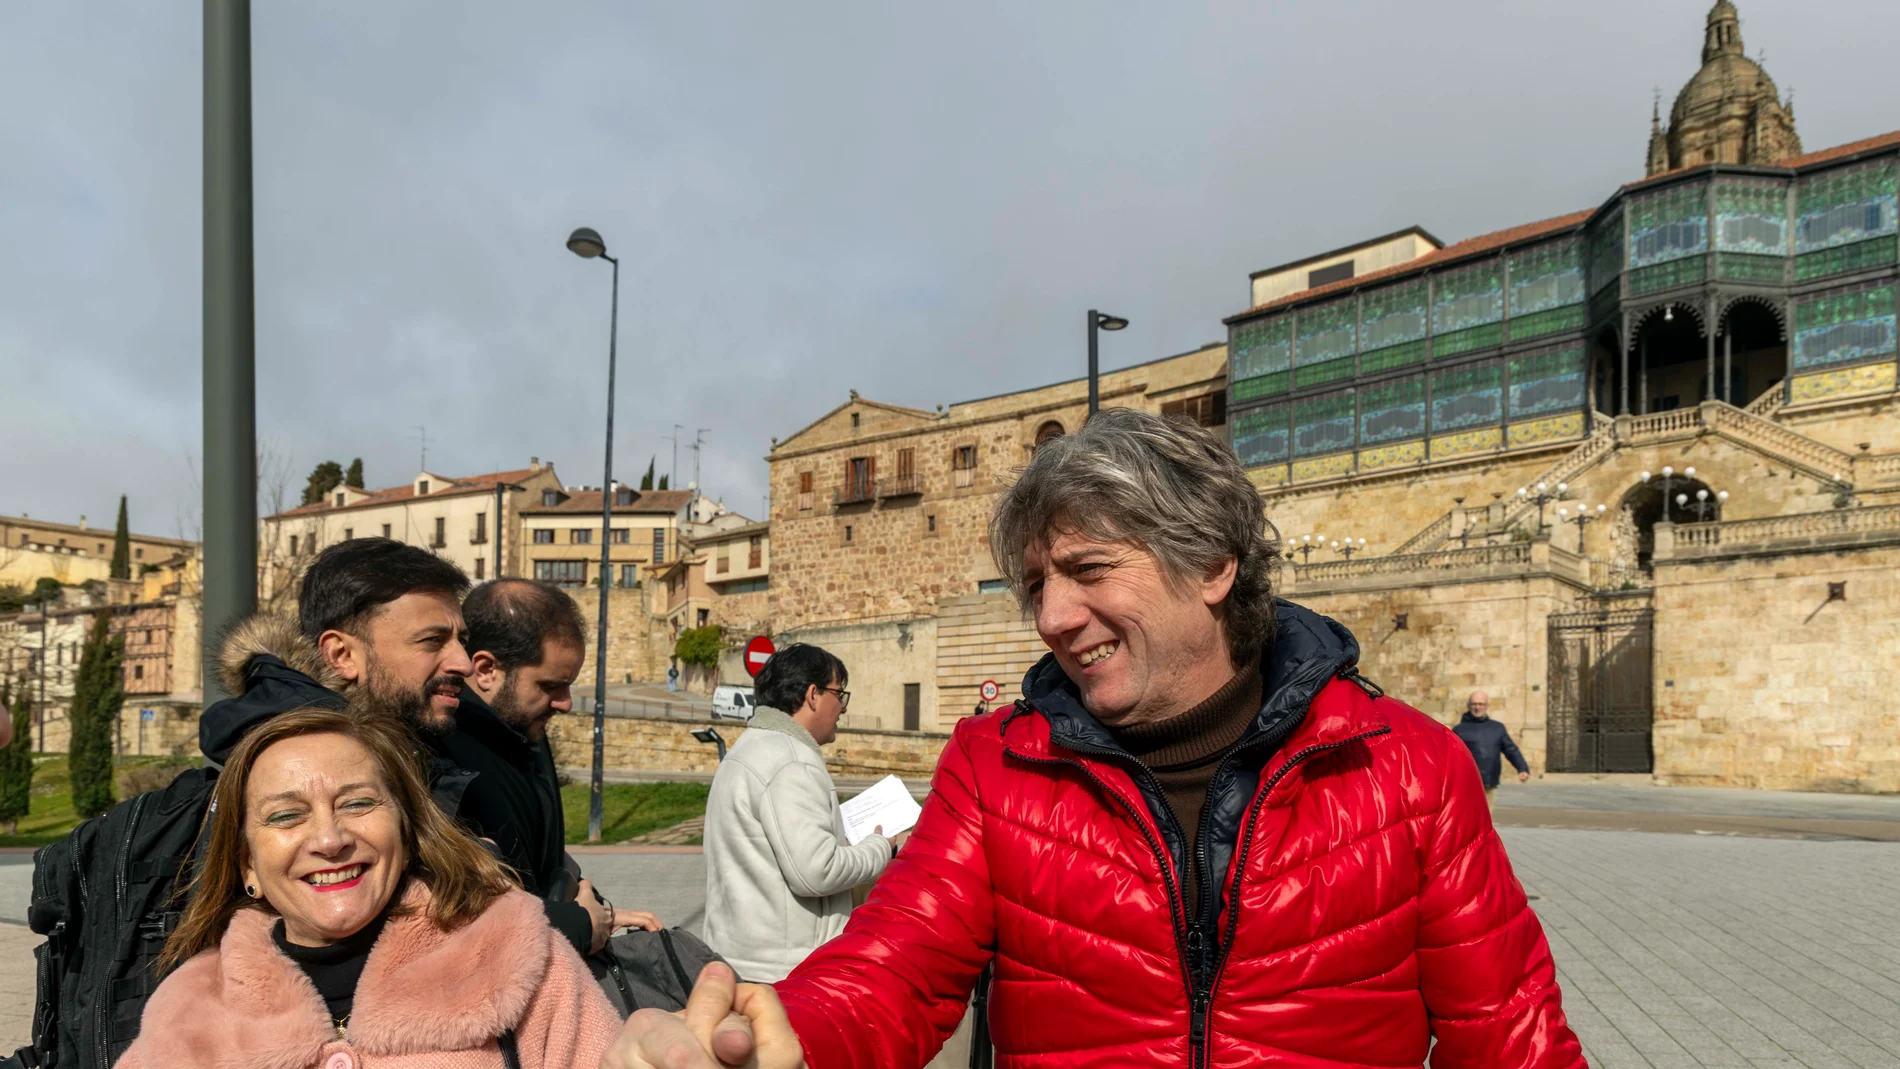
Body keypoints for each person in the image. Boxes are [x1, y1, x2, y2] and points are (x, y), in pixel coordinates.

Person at [609, 407, 1583, 1069]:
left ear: (1212, 562)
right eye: (1037, 585)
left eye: (1087, 571)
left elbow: (1512, 1037)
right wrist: (782, 1035)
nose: (1051, 617)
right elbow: (891, 968)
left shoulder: (1407, 767)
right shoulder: (995, 766)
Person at [117, 704, 620, 1068]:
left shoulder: (521, 958)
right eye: (286, 816)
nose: (330, 839)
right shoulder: (186, 1010)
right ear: (248, 866)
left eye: (358, 804)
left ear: (406, 829)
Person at [428, 578, 658, 956]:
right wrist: (581, 925)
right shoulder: (441, 753)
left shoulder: (524, 730)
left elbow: (539, 864)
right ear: (485, 669)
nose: (565, 703)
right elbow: (463, 922)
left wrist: (597, 911)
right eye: (551, 686)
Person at [701, 643, 900, 981]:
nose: (843, 708)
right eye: (839, 694)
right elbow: (817, 871)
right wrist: (881, 847)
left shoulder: (748, 747)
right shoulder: (791, 761)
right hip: (785, 972)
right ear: (813, 695)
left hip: (742, 959)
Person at [204, 536, 474, 761]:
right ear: (341, 655)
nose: (464, 664)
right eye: (432, 640)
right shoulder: (300, 776)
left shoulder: (454, 739)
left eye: (462, 641)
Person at [1453, 690, 1531, 809]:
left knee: (1486, 819)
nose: (1477, 707)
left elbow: (1510, 750)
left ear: (1487, 706)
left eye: (1481, 704)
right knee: (1468, 819)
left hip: (1489, 785)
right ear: (1469, 706)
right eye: (1474, 704)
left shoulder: (1497, 728)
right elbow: (1448, 757)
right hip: (1466, 786)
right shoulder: (1459, 730)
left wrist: (1522, 768)